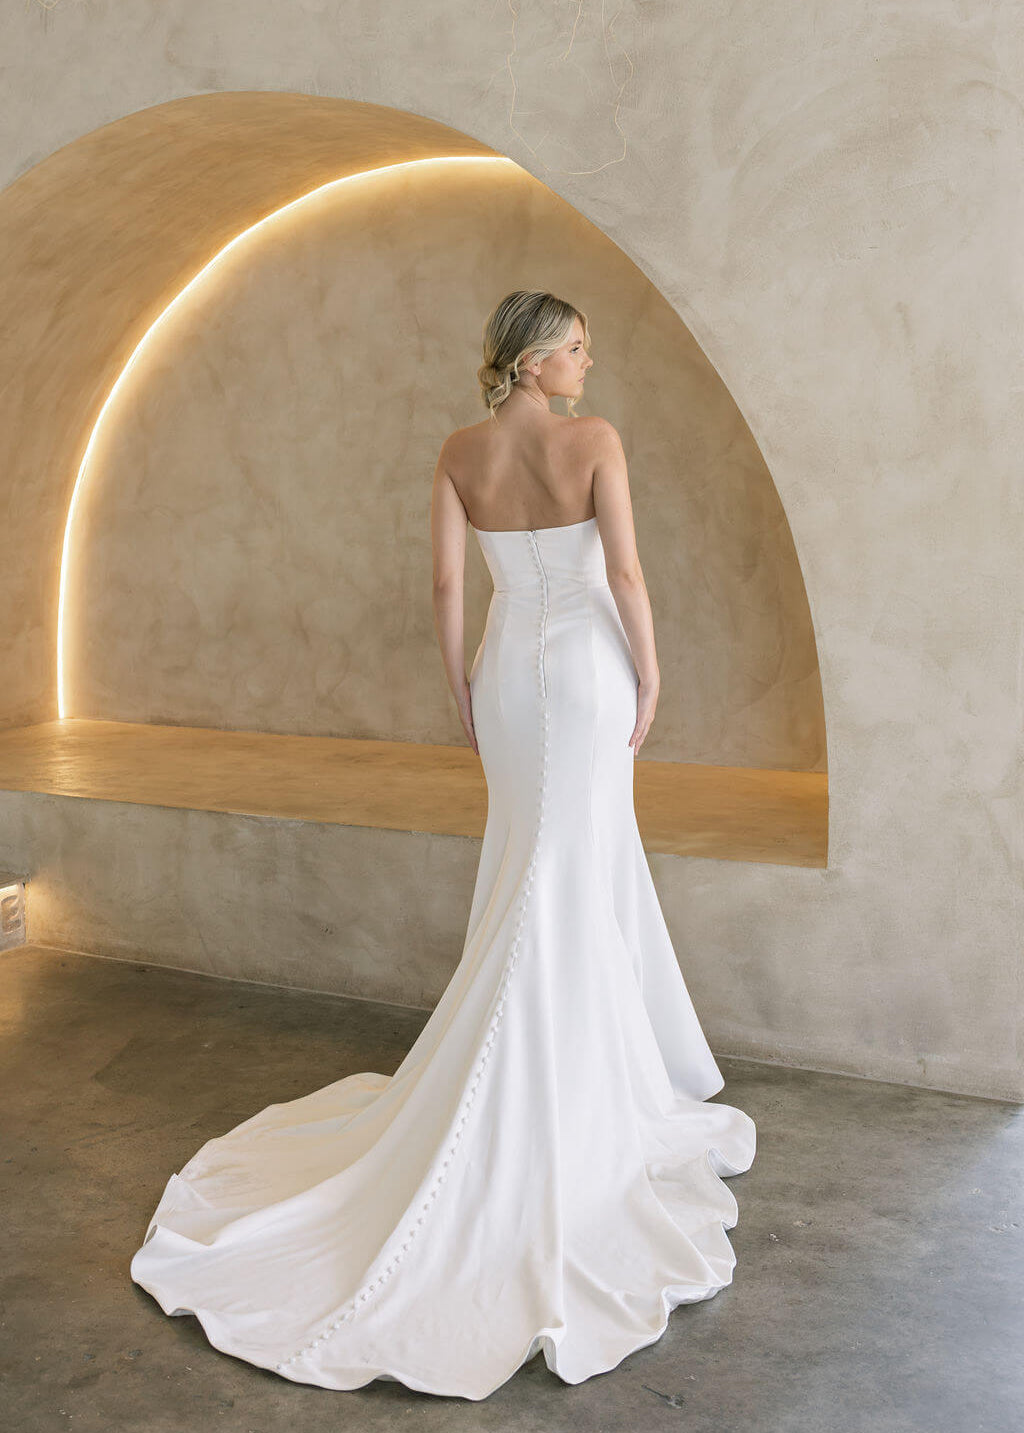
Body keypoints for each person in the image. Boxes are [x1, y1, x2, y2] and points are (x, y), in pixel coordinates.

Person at [129, 289, 757, 1400]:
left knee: (541, 870)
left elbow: (444, 583)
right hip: (589, 672)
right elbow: (624, 576)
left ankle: (559, 1072)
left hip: (509, 677)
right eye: (575, 346)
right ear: (531, 362)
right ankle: (548, 1101)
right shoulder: (594, 442)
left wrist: (458, 689)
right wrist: (653, 672)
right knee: (559, 878)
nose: (589, 361)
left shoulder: (460, 451)